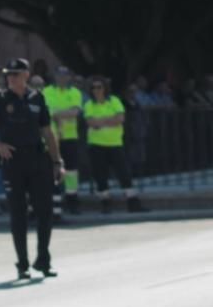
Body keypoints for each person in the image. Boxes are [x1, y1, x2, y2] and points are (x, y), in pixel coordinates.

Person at [0, 58, 63, 279]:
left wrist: (57, 161)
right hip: (13, 159)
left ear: (26, 75)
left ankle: (43, 261)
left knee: (44, 212)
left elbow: (47, 131)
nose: (11, 78)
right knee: (18, 214)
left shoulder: (37, 98)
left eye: (15, 74)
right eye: (8, 75)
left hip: (38, 158)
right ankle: (22, 264)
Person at [84, 77, 146, 214]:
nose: (96, 90)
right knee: (100, 176)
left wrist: (100, 122)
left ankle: (133, 202)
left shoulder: (114, 101)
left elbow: (120, 119)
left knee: (124, 173)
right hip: (96, 144)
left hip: (115, 143)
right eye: (94, 87)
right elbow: (90, 122)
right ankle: (105, 203)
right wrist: (109, 120)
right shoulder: (89, 104)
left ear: (105, 88)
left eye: (99, 87)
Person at [42, 65, 84, 215]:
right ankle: (55, 200)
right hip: (52, 138)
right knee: (53, 168)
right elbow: (46, 113)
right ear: (55, 76)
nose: (62, 77)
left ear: (69, 77)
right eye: (59, 75)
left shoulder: (75, 92)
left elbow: (75, 112)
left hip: (70, 137)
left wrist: (56, 113)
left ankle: (72, 199)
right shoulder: (46, 92)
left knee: (71, 170)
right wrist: (63, 113)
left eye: (65, 75)